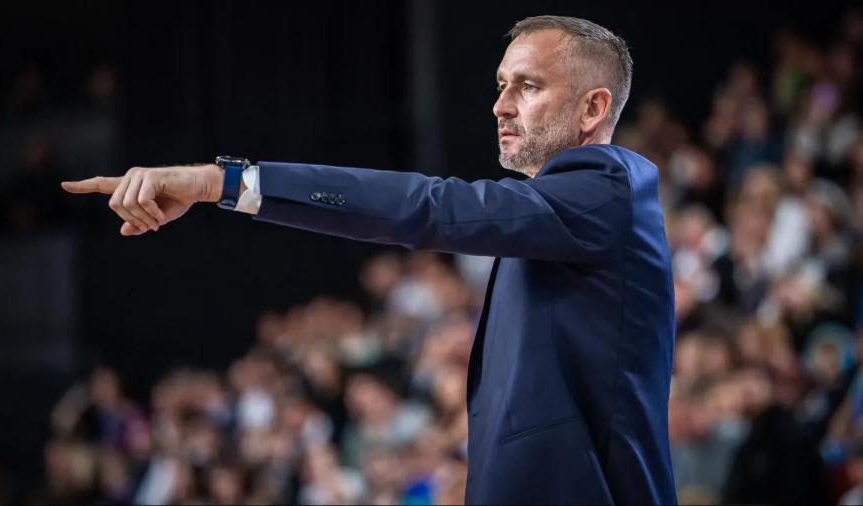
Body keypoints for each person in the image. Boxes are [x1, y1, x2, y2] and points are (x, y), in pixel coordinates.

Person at [62, 15, 676, 505]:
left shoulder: (608, 188)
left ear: (593, 108)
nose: (500, 105)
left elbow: (429, 207)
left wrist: (218, 182)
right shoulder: (557, 215)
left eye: (528, 86)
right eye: (500, 85)